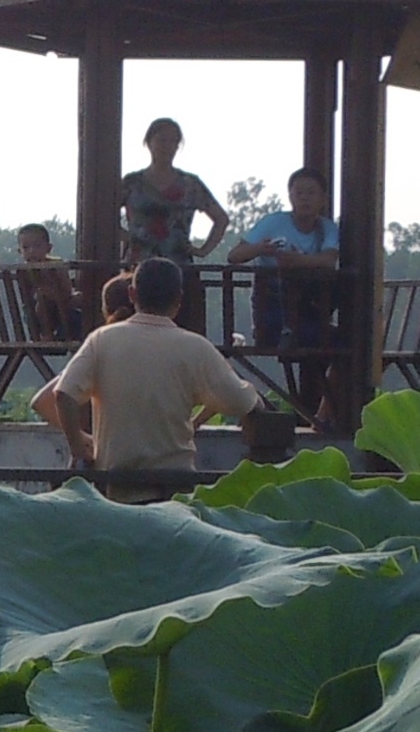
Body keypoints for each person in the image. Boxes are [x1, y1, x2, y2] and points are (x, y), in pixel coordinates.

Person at [36, 256, 261, 483]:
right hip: (173, 483)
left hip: (115, 484)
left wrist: (78, 446)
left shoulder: (102, 339)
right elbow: (240, 401)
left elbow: (63, 394)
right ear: (179, 299)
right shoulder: (196, 347)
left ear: (133, 294)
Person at [237, 166, 344, 404]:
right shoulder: (273, 223)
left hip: (309, 312)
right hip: (273, 313)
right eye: (299, 193)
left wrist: (297, 262)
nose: (304, 199)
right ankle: (318, 412)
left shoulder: (327, 228)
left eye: (311, 193)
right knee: (335, 343)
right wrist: (261, 249)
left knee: (346, 345)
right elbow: (235, 255)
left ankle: (323, 411)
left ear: (323, 199)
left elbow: (329, 260)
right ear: (290, 196)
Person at [119, 120, 229, 277]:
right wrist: (126, 236)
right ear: (149, 143)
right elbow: (105, 215)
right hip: (137, 267)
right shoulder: (132, 182)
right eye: (162, 140)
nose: (168, 146)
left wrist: (202, 250)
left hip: (178, 267)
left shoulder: (190, 184)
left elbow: (221, 219)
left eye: (173, 141)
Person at [11, 221, 81, 343]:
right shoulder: (23, 271)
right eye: (26, 248)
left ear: (48, 248)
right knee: (41, 301)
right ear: (19, 251)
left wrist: (54, 295)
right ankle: (47, 335)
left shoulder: (57, 266)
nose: (32, 251)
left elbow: (67, 292)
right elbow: (26, 301)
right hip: (36, 317)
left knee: (80, 299)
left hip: (63, 311)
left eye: (37, 246)